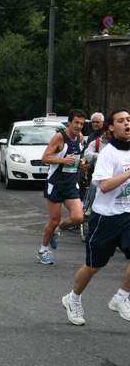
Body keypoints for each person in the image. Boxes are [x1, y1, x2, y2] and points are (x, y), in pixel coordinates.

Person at [61, 108, 130, 325]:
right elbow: (106, 186)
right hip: (106, 217)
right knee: (94, 265)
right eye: (121, 121)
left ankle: (121, 298)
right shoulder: (109, 153)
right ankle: (72, 299)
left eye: (129, 120)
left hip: (128, 214)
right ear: (111, 127)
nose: (127, 123)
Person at [38, 109, 88, 264]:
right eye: (76, 123)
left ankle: (56, 232)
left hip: (71, 184)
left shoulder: (80, 138)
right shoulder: (60, 137)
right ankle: (43, 250)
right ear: (69, 122)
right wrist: (63, 161)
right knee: (53, 220)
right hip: (56, 184)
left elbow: (77, 158)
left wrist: (81, 164)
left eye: (81, 123)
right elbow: (45, 158)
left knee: (78, 217)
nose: (79, 126)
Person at [83, 128, 111, 217]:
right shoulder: (96, 143)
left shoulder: (118, 142)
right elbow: (86, 153)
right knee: (94, 185)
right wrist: (97, 156)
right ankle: (92, 209)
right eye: (111, 133)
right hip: (99, 174)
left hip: (114, 175)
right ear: (105, 132)